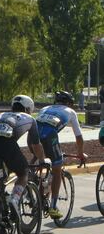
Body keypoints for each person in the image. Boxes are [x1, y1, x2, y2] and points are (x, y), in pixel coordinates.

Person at [0, 95, 45, 216]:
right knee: (23, 173)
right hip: (6, 145)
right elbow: (36, 145)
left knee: (0, 180)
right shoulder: (30, 119)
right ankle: (14, 200)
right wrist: (42, 160)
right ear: (27, 109)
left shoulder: (2, 115)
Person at [35, 90, 86, 218]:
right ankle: (53, 207)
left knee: (38, 159)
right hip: (49, 137)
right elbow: (79, 137)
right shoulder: (70, 112)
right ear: (69, 103)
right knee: (57, 170)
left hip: (33, 137)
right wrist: (80, 154)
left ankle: (31, 184)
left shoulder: (45, 108)